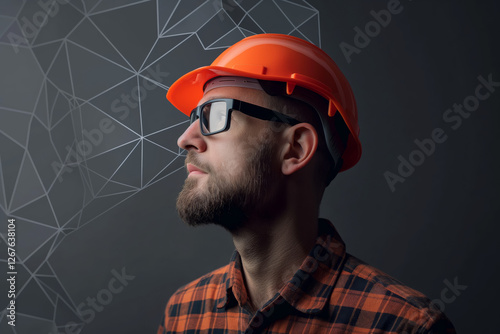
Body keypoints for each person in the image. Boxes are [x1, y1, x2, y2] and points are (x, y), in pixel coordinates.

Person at [157, 34, 455, 334]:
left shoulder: (402, 326)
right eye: (196, 116)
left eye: (215, 115)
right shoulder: (183, 312)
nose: (185, 139)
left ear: (296, 148)